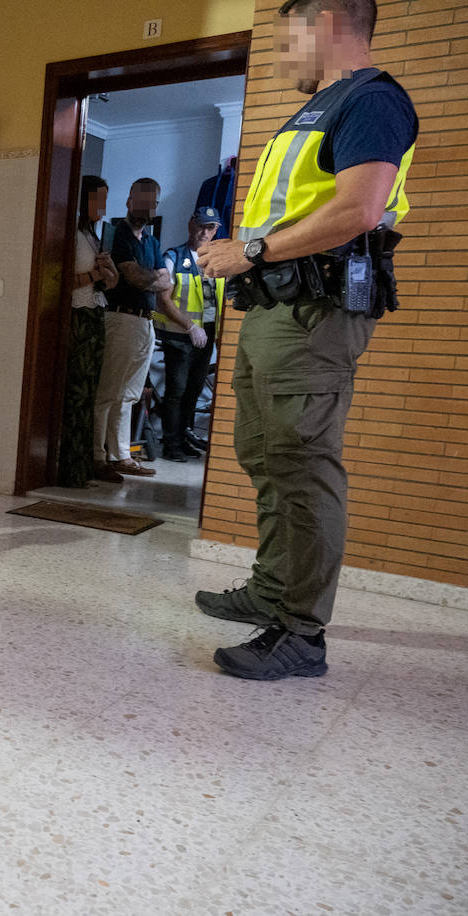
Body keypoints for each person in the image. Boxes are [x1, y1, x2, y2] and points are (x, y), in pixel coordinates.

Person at [196, 0, 417, 679]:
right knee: (264, 454)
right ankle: (270, 590)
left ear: (321, 22)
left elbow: (359, 208)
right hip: (275, 308)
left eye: (287, 37)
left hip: (313, 312)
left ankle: (300, 632)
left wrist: (250, 249)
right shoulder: (316, 109)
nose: (281, 54)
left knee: (303, 461)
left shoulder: (373, 100)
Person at [95, 178, 200, 479]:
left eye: (152, 202)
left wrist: (147, 277)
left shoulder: (152, 242)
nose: (146, 206)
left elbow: (166, 282)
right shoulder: (117, 235)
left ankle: (121, 455)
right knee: (108, 392)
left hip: (145, 321)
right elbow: (135, 277)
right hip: (121, 317)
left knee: (128, 393)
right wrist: (149, 277)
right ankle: (97, 456)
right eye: (141, 200)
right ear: (129, 201)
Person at [59, 176, 119, 487]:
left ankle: (83, 466)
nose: (104, 208)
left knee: (91, 391)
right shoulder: (70, 234)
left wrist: (108, 271)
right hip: (78, 317)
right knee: (78, 393)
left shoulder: (92, 236)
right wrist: (96, 273)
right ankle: (70, 468)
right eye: (100, 200)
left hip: (96, 312)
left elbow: (110, 283)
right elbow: (62, 279)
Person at [156, 207, 225, 462]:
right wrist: (189, 326)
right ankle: (170, 444)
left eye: (210, 228)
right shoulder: (174, 256)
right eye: (200, 225)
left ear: (216, 230)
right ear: (190, 224)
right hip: (179, 334)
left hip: (206, 335)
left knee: (194, 390)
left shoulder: (217, 260)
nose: (204, 232)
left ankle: (183, 438)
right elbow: (163, 300)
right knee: (177, 390)